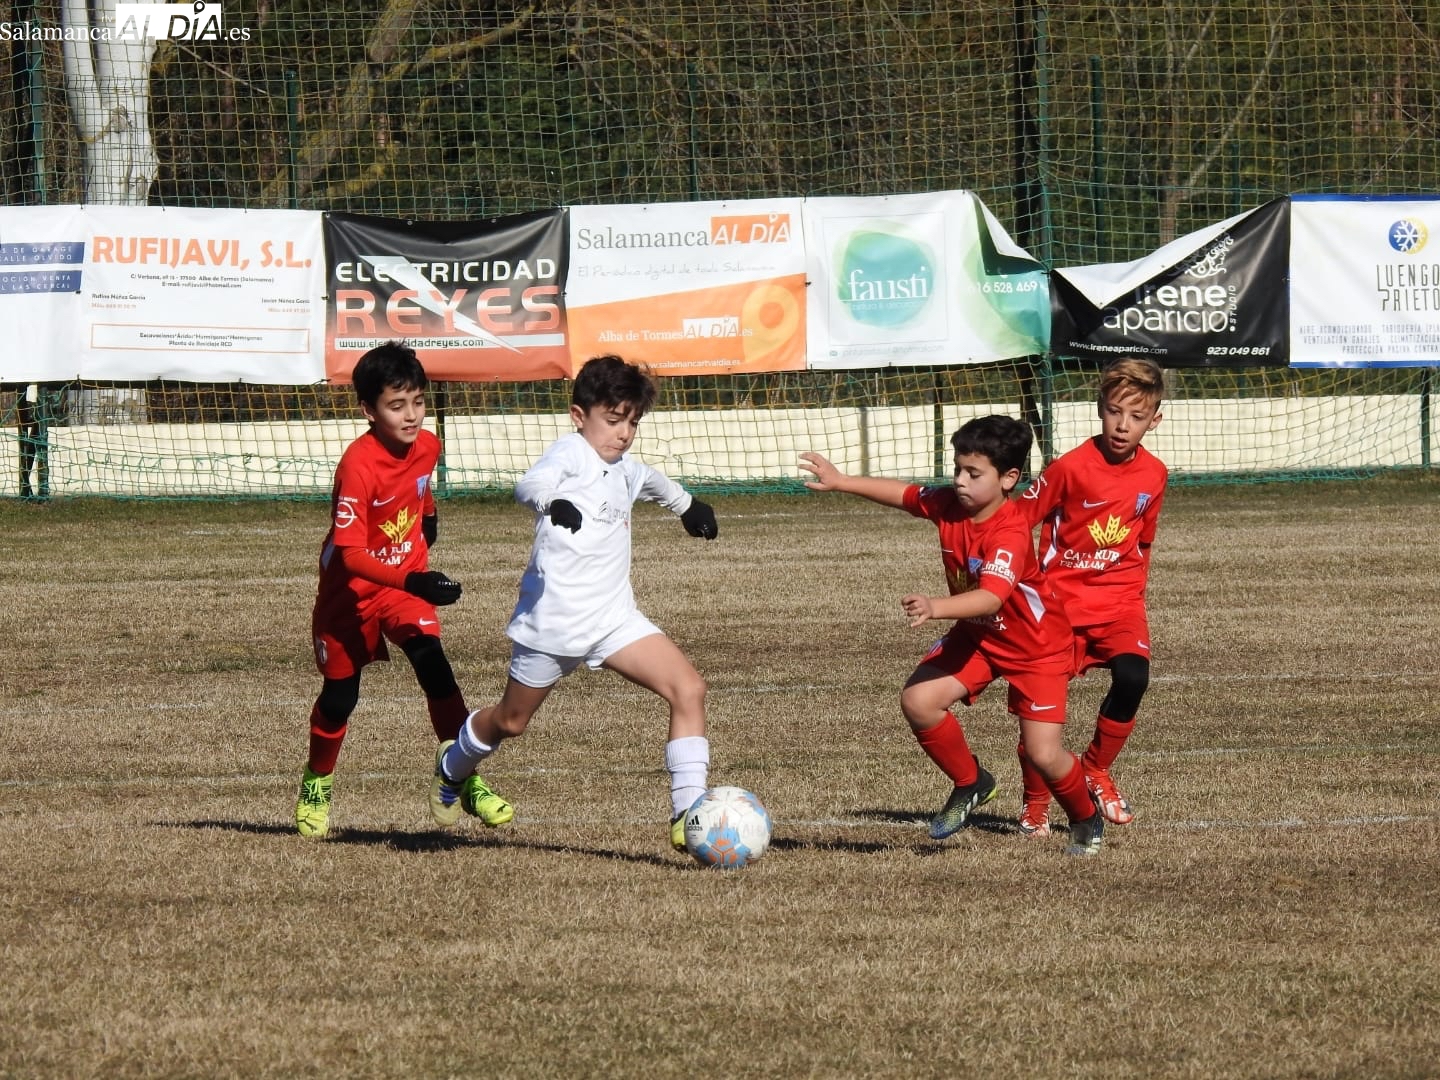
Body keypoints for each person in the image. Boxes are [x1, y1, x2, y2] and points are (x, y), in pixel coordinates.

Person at [428, 354, 720, 851]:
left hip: (614, 620)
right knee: (511, 722)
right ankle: (453, 765)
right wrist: (553, 502)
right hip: (554, 624)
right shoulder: (570, 452)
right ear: (579, 416)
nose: (623, 434)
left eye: (632, 422)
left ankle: (688, 814)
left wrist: (688, 506)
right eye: (613, 419)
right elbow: (529, 485)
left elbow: (651, 480)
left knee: (689, 689)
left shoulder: (625, 468)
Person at [800, 415, 1106, 856]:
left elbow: (991, 598)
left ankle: (1084, 816)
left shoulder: (1010, 531)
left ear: (1008, 479)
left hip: (1036, 648)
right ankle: (971, 782)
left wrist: (936, 606)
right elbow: (905, 495)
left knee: (1044, 754)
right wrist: (842, 481)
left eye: (973, 473)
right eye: (958, 469)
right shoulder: (950, 505)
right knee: (918, 701)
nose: (960, 480)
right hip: (979, 638)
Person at [294, 340, 512, 838]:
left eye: (417, 401)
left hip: (400, 587)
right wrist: (415, 578)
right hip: (350, 596)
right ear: (368, 411)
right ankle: (316, 782)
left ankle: (463, 776)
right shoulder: (358, 465)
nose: (411, 415)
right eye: (396, 405)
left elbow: (420, 484)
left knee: (435, 667)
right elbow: (350, 555)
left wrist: (429, 516)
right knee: (340, 698)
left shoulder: (428, 445)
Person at [1015, 356, 1167, 836]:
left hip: (1120, 603)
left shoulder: (1155, 474)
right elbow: (1016, 521)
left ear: (1154, 420)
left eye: (1136, 416)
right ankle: (1035, 804)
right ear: (1099, 408)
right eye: (1114, 412)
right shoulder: (1069, 468)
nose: (1123, 425)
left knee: (1133, 676)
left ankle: (1096, 768)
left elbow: (1143, 540)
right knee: (1040, 716)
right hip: (1058, 608)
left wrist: (1134, 593)